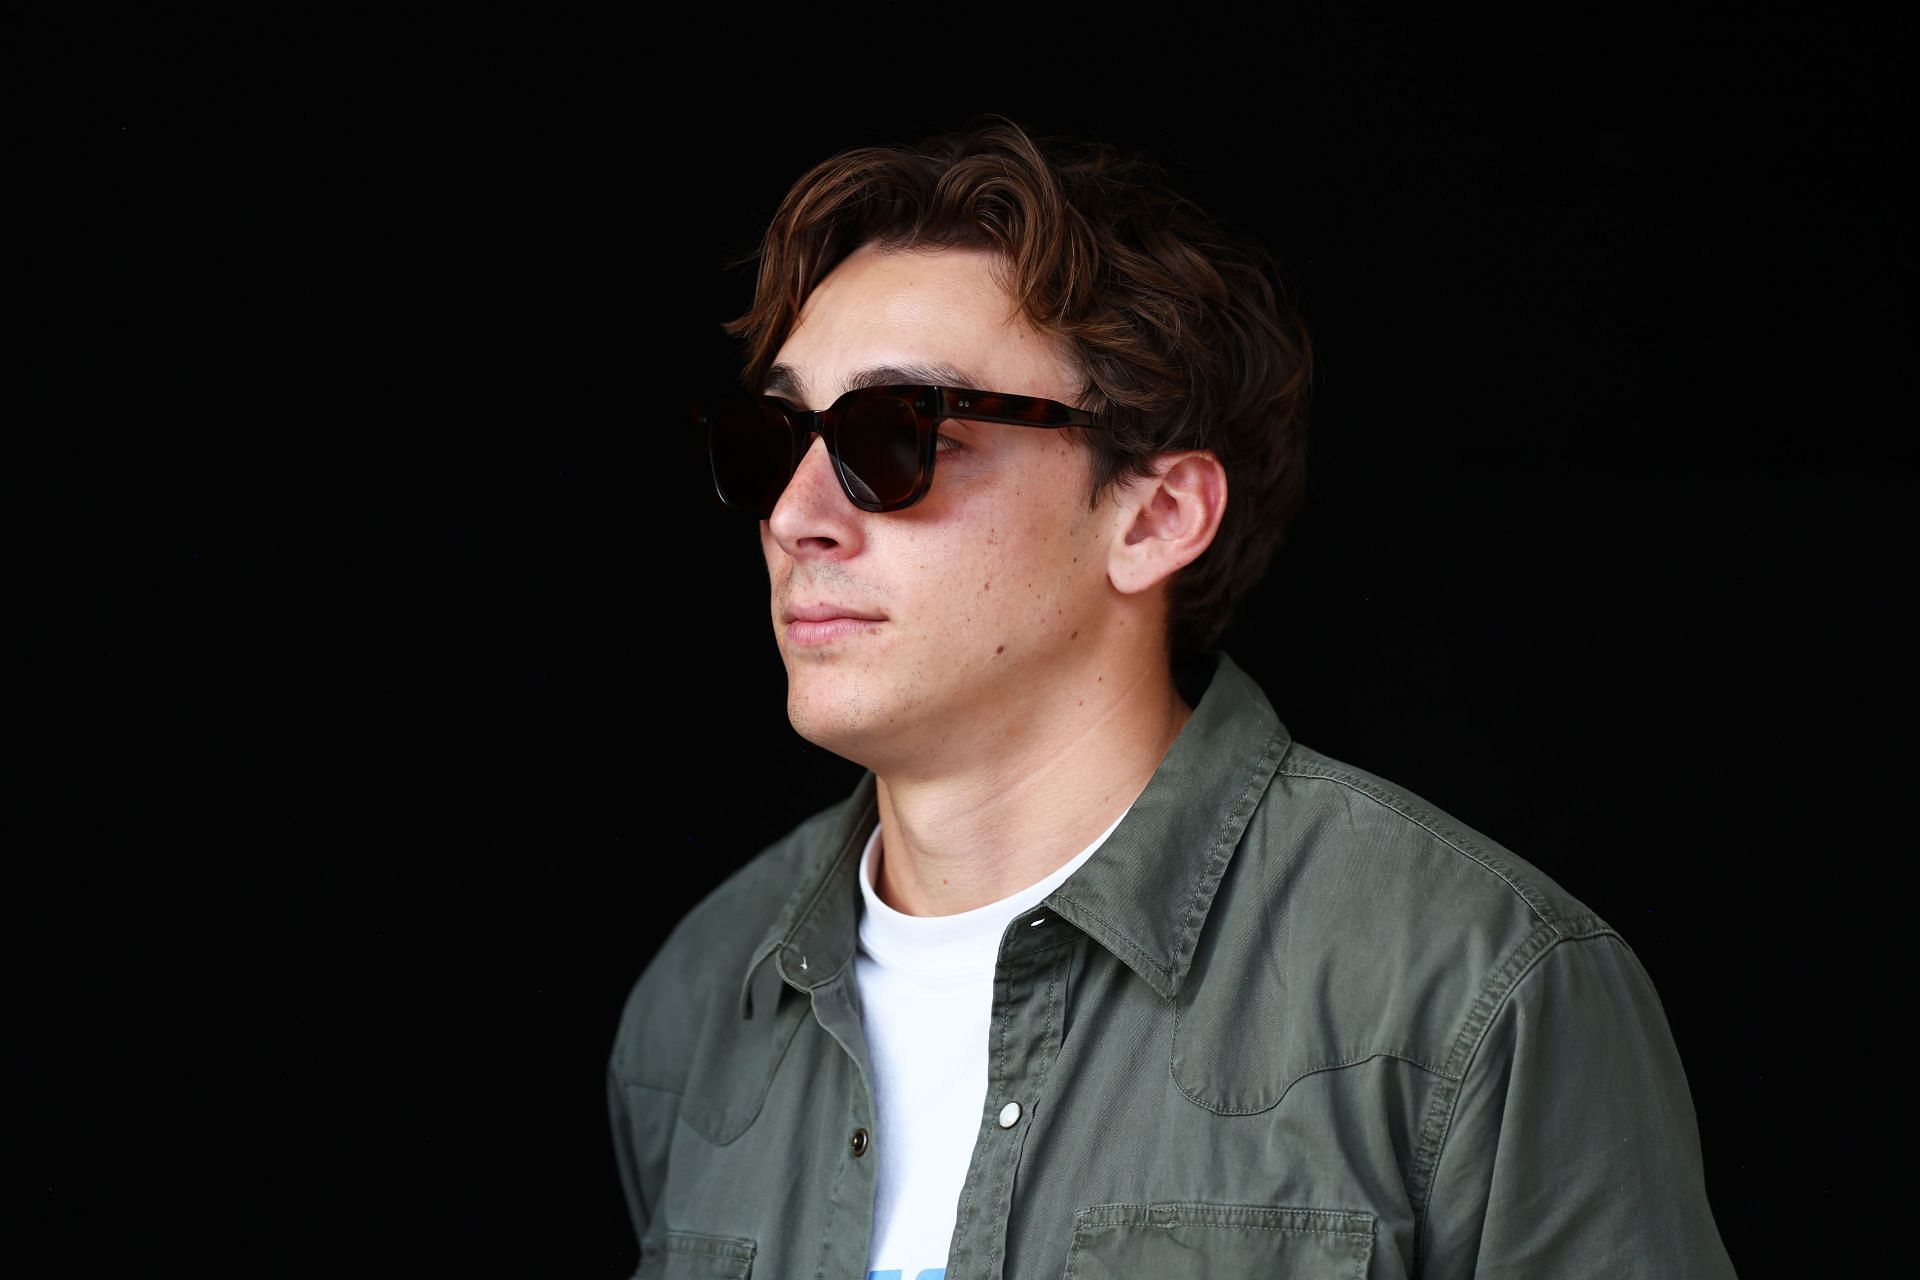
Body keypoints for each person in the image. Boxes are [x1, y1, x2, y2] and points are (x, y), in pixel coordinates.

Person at [609, 115, 1735, 1279]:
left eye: (893, 436)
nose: (794, 515)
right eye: (773, 437)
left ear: (1155, 516)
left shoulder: (1466, 987)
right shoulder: (698, 1002)